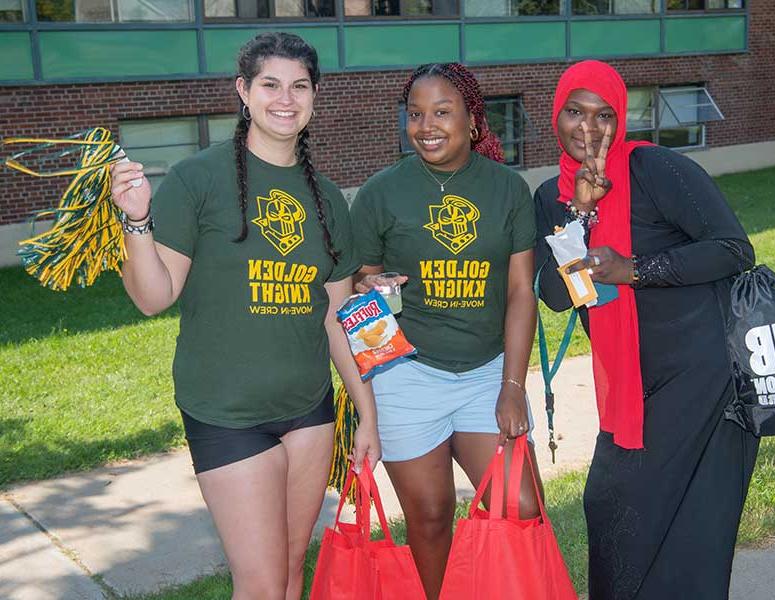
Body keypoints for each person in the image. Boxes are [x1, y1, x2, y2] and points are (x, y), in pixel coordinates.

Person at [110, 32, 380, 600]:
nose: (286, 98)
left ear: (314, 97)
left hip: (309, 412)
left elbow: (336, 316)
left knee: (287, 572)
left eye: (299, 86)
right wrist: (136, 222)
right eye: (270, 84)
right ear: (243, 91)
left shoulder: (328, 199)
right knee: (258, 582)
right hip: (227, 414)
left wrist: (366, 412)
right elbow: (153, 296)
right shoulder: (197, 179)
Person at [534, 60, 760, 599]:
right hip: (631, 383)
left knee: (690, 530)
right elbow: (555, 295)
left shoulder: (657, 170)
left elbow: (733, 250)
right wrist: (582, 216)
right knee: (614, 509)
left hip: (701, 375)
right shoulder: (550, 198)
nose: (587, 128)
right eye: (574, 112)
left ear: (621, 120)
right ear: (555, 114)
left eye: (603, 115)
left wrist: (634, 269)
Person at [350, 62, 542, 599]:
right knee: (430, 518)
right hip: (406, 376)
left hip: (485, 375)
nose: (426, 125)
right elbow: (359, 281)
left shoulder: (506, 189)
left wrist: (511, 386)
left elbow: (520, 291)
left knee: (521, 506)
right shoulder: (381, 192)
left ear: (473, 121)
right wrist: (371, 284)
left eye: (441, 111)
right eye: (415, 114)